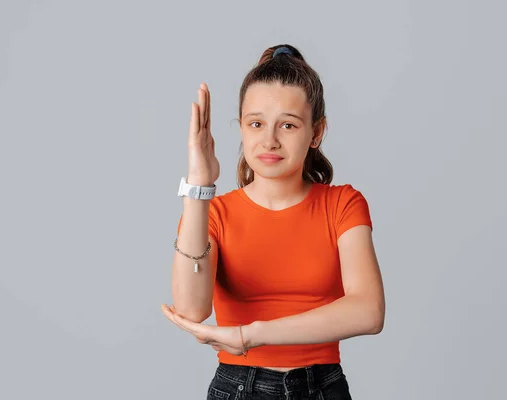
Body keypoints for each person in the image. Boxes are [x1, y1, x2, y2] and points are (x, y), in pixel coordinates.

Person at [161, 44, 385, 400]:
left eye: (288, 125)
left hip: (322, 388)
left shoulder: (342, 204)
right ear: (242, 129)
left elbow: (369, 312)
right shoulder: (214, 213)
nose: (269, 140)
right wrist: (198, 184)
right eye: (256, 123)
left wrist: (251, 335)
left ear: (316, 132)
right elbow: (192, 308)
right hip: (237, 388)